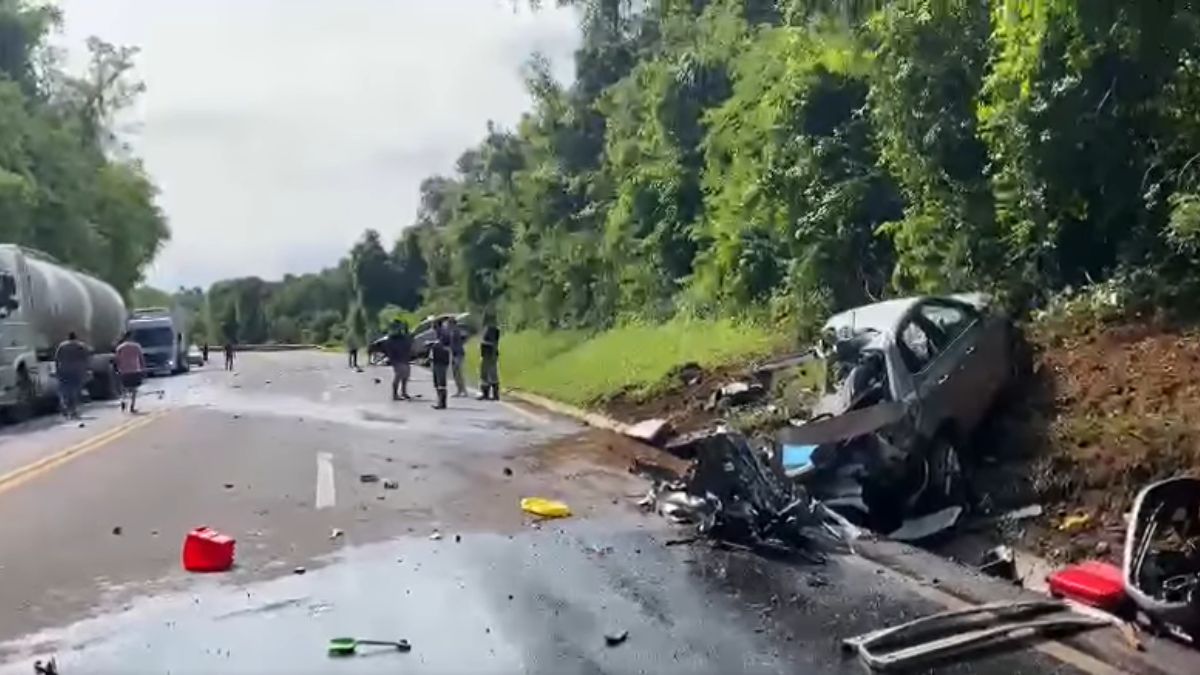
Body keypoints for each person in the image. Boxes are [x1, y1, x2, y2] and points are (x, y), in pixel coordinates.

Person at [54, 331, 90, 419]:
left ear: (68, 337)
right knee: (74, 390)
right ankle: (73, 410)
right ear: (76, 337)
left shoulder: (62, 346)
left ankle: (65, 406)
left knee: (65, 389)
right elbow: (86, 358)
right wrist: (86, 370)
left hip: (64, 369)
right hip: (76, 371)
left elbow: (57, 358)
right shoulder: (81, 346)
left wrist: (57, 370)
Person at [115, 332, 147, 413]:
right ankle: (132, 407)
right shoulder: (136, 346)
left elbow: (117, 360)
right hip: (135, 370)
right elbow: (141, 358)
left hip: (124, 371)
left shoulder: (120, 348)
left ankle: (123, 401)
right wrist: (143, 369)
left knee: (124, 389)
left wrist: (118, 369)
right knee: (134, 390)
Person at [383, 321, 413, 401]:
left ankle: (403, 392)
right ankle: (395, 394)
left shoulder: (403, 337)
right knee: (398, 375)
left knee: (405, 376)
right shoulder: (392, 338)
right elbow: (389, 348)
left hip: (404, 358)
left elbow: (408, 343)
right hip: (397, 359)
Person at [427, 319, 451, 410]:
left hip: (441, 360)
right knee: (437, 383)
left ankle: (442, 403)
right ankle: (439, 401)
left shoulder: (444, 334)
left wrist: (432, 344)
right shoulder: (438, 334)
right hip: (436, 360)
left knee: (441, 383)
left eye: (433, 325)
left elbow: (443, 345)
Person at [477, 314, 501, 401]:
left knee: (492, 374)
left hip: (490, 354)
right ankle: (485, 393)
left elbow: (493, 343)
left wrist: (483, 342)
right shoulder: (486, 329)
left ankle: (495, 394)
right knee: (484, 374)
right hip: (485, 354)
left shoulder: (493, 330)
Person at [446, 316, 467, 397]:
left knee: (458, 372)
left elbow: (455, 343)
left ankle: (463, 390)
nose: (447, 325)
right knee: (455, 373)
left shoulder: (455, 331)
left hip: (458, 354)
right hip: (454, 353)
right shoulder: (452, 332)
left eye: (448, 323)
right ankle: (459, 390)